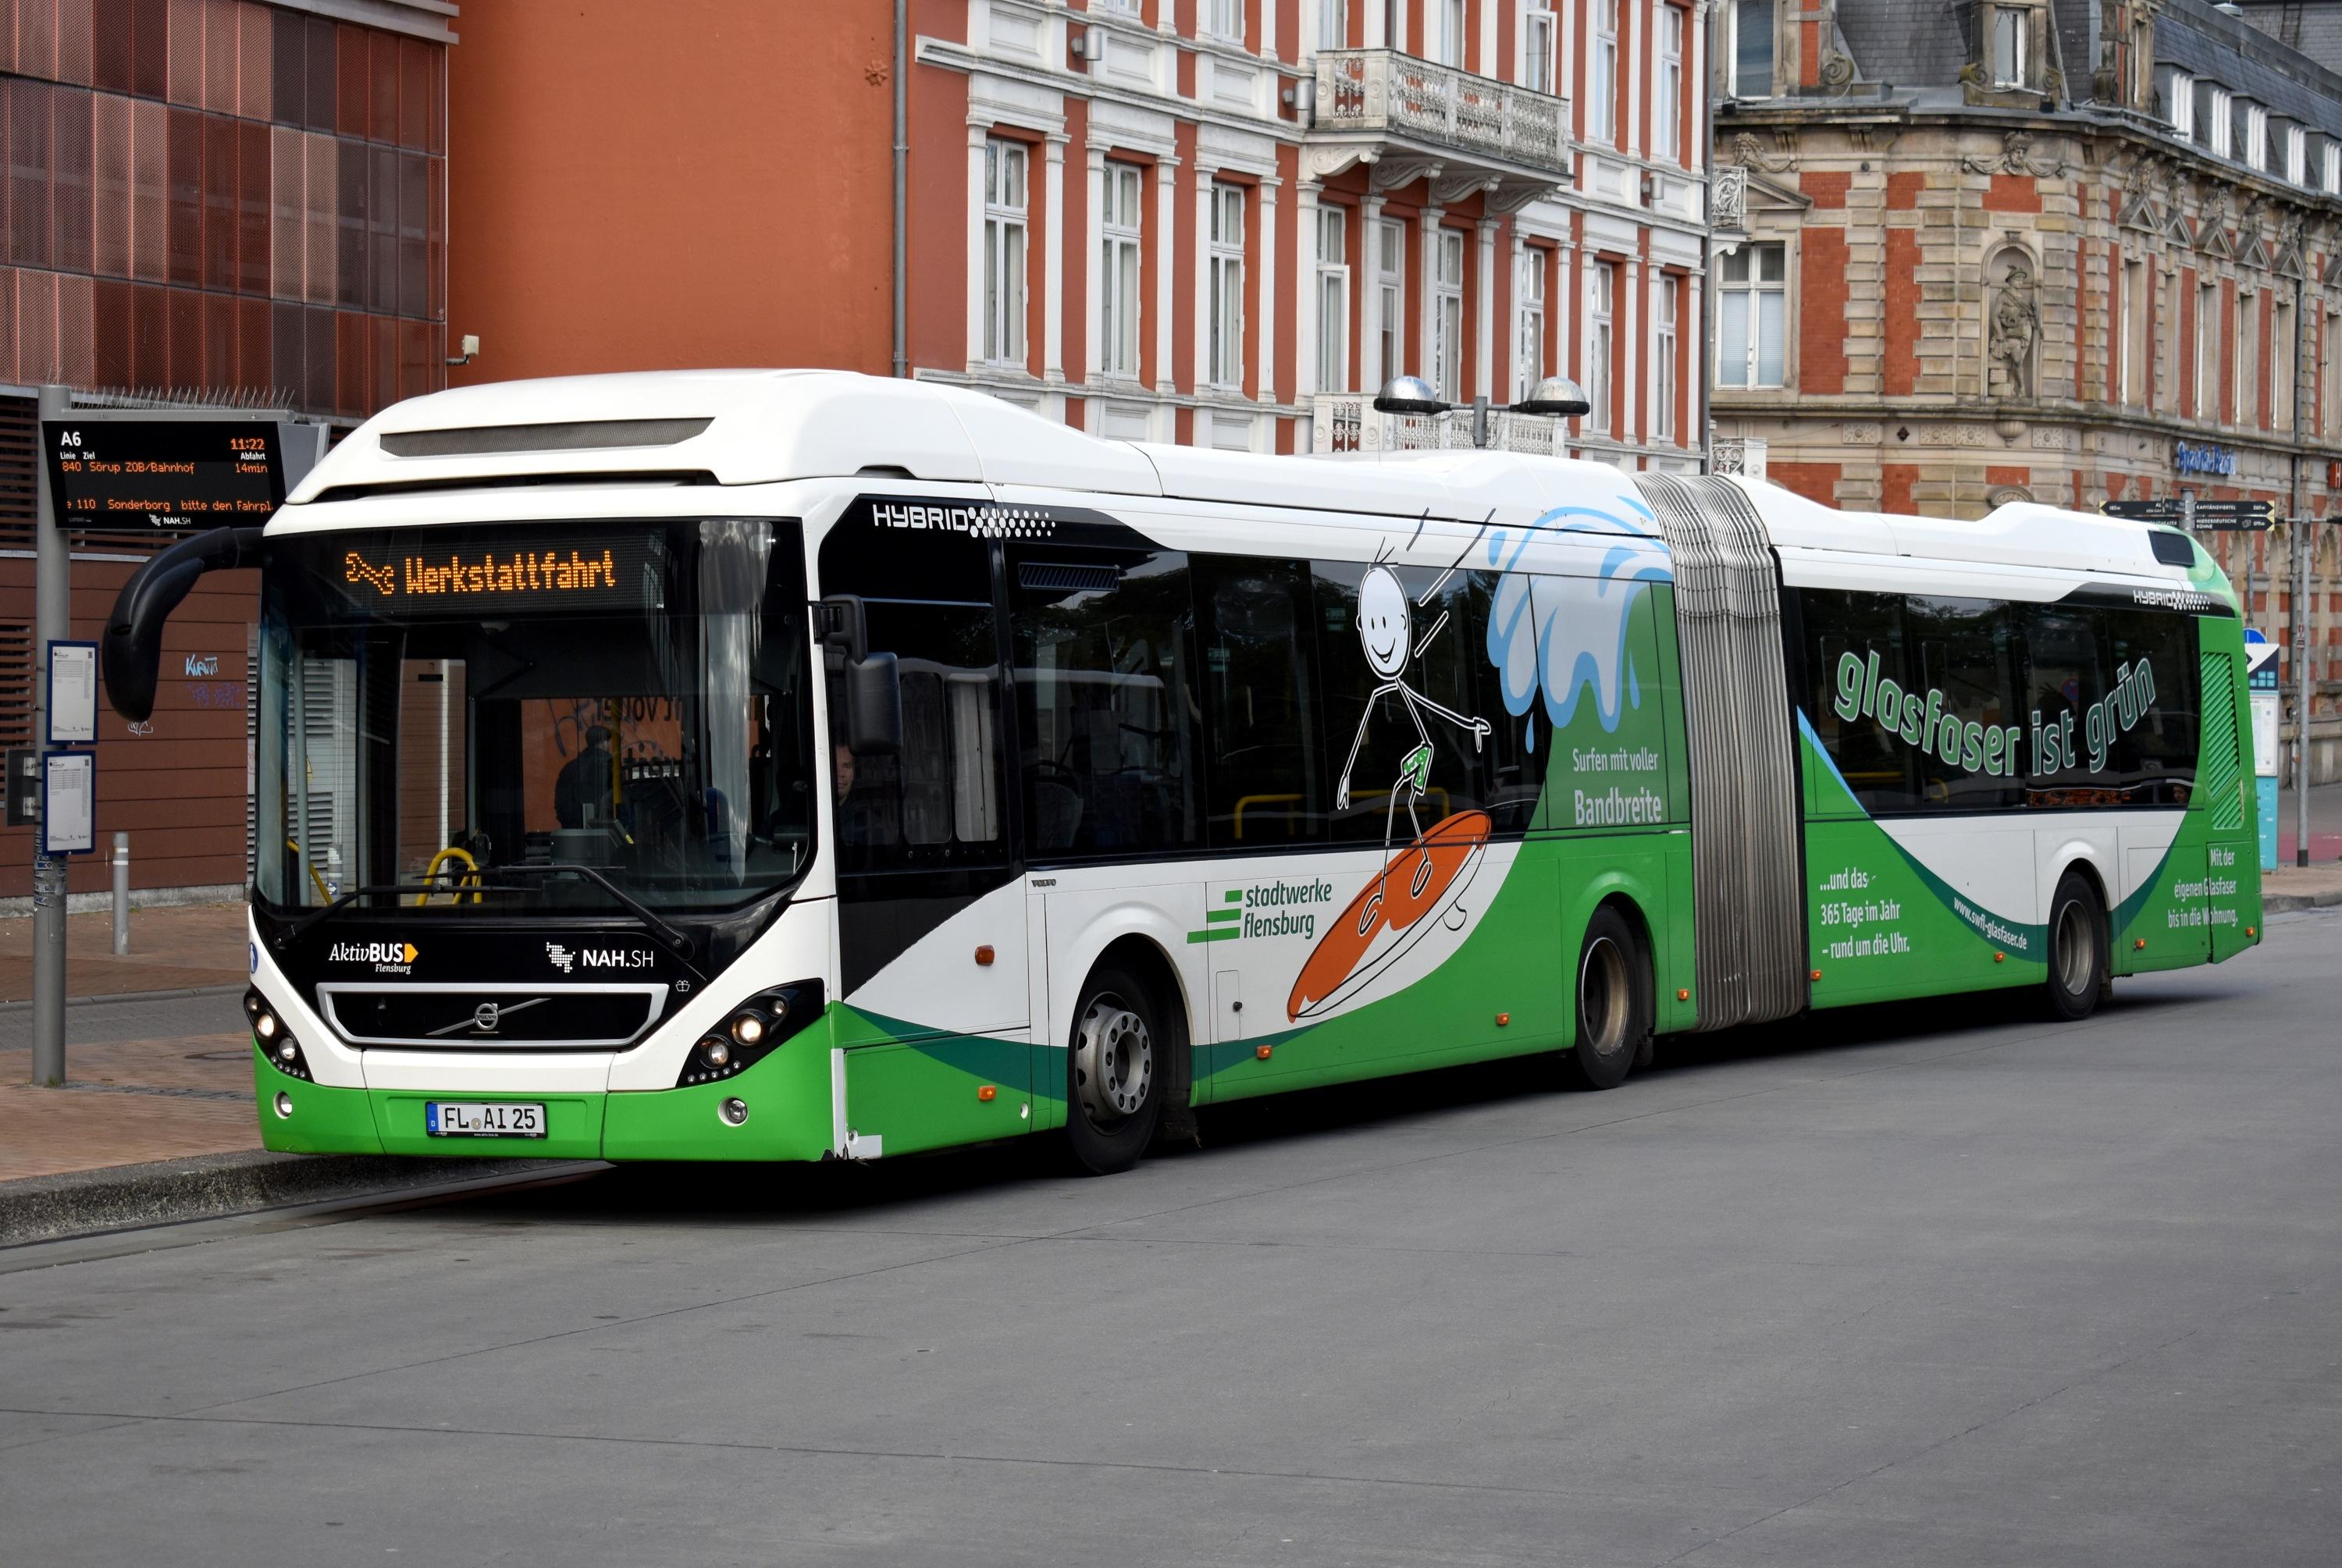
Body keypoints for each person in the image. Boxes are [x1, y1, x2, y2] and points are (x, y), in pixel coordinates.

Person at [556, 724, 616, 829]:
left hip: (573, 829)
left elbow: (561, 802)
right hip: (602, 830)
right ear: (605, 743)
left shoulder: (570, 767)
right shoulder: (609, 765)